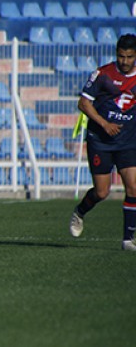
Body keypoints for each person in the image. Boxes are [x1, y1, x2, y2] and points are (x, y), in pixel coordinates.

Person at [70, 33, 136, 251]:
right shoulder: (102, 74)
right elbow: (83, 103)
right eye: (121, 56)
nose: (124, 61)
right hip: (101, 140)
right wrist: (103, 123)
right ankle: (80, 212)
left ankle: (128, 239)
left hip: (127, 141)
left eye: (129, 57)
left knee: (133, 187)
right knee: (101, 192)